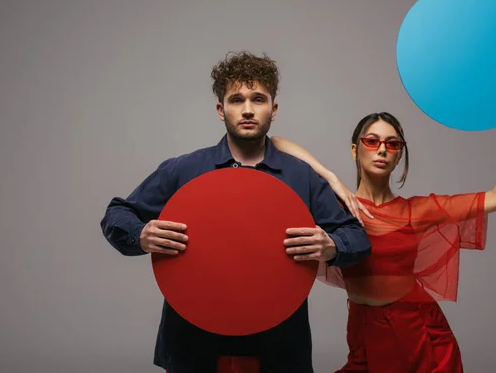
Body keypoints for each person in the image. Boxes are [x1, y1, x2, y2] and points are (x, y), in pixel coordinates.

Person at [99, 51, 371, 373]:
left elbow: (357, 237)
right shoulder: (185, 169)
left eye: (258, 99)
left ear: (274, 109)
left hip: (279, 346)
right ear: (220, 109)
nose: (247, 109)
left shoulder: (302, 177)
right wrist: (140, 234)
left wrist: (333, 246)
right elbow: (117, 214)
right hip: (193, 345)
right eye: (236, 99)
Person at [270, 81, 496, 372]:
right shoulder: (335, 208)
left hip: (421, 333)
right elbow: (273, 144)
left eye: (392, 144)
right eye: (371, 141)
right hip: (365, 330)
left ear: (399, 155)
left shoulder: (418, 210)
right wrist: (330, 178)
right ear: (354, 149)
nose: (382, 150)